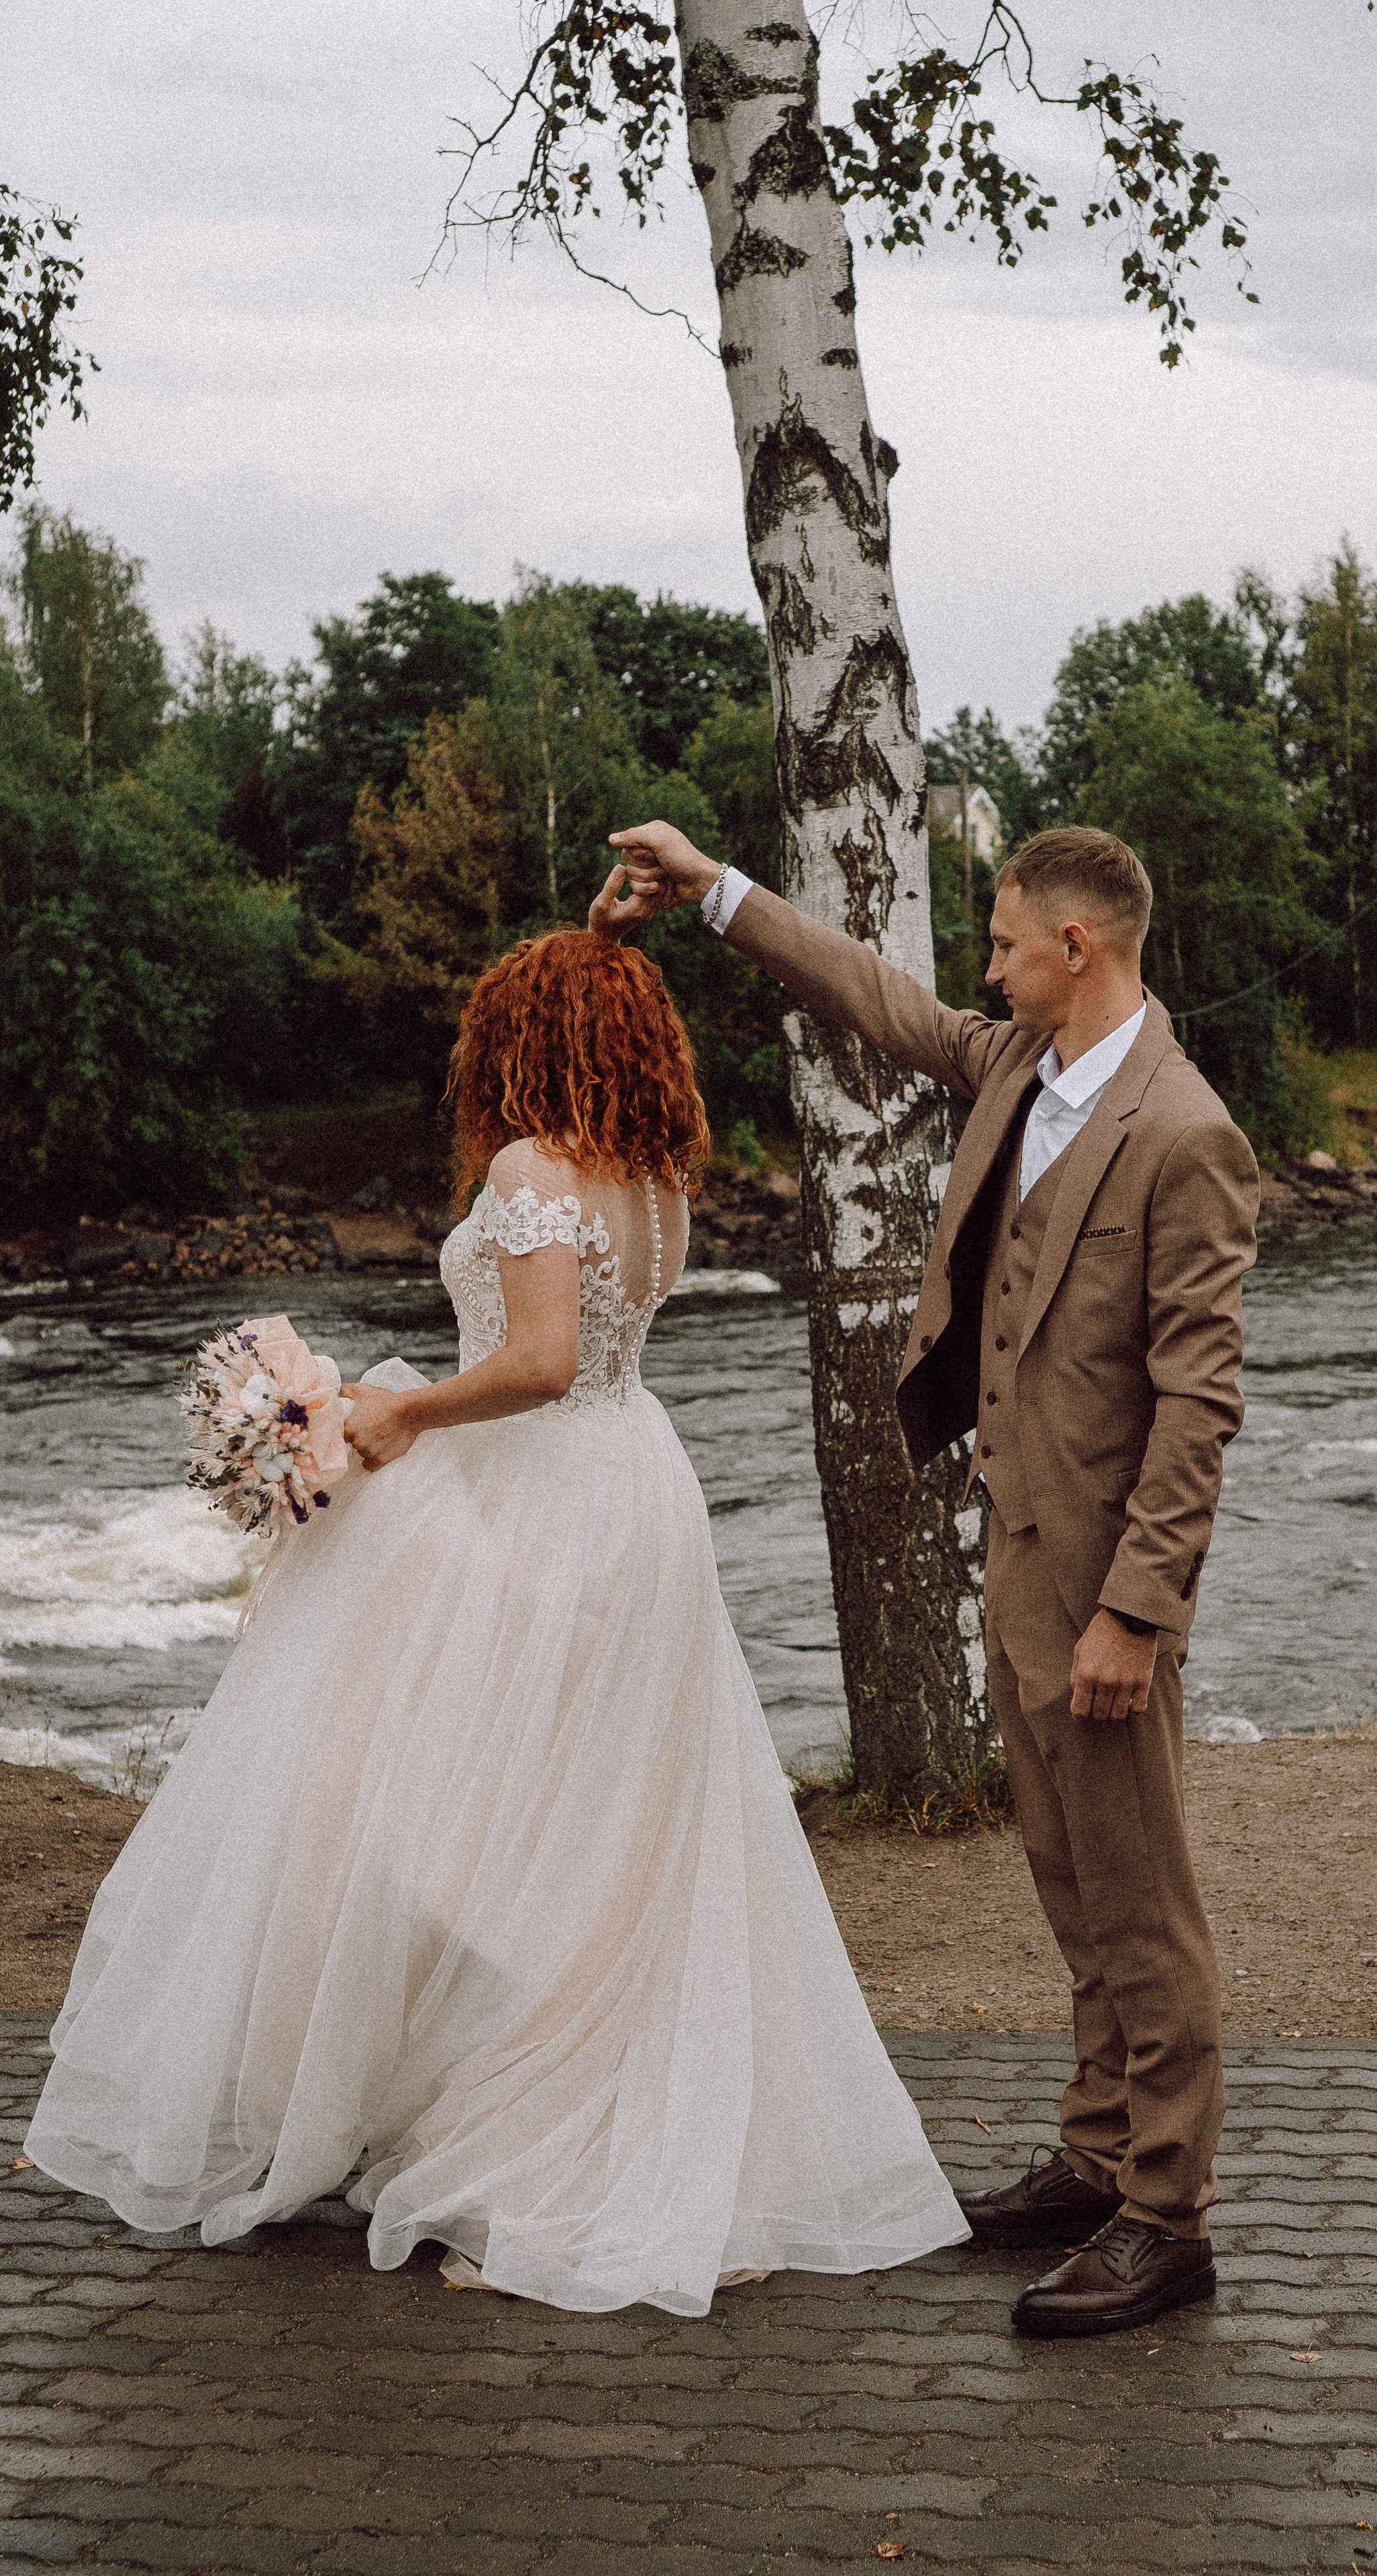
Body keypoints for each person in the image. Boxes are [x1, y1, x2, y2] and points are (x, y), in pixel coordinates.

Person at [26, 925, 966, 2314]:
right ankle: (520, 2085)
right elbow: (596, 1357)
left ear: (524, 1042)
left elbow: (538, 1362)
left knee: (453, 1809)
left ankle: (528, 2136)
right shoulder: (657, 1181)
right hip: (636, 1484)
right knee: (595, 1822)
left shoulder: (533, 1170)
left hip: (546, 1497)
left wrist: (398, 1408)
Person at [605, 820, 1258, 2342]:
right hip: (1016, 1548)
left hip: (1103, 1584)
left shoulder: (1184, 1132)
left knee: (1141, 1900)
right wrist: (715, 893)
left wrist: (1133, 1611)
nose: (983, 960)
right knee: (1064, 1870)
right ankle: (1096, 2156)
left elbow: (1195, 1406)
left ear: (1077, 947)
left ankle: (1164, 2217)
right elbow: (874, 1001)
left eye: (1004, 937)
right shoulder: (1016, 1068)